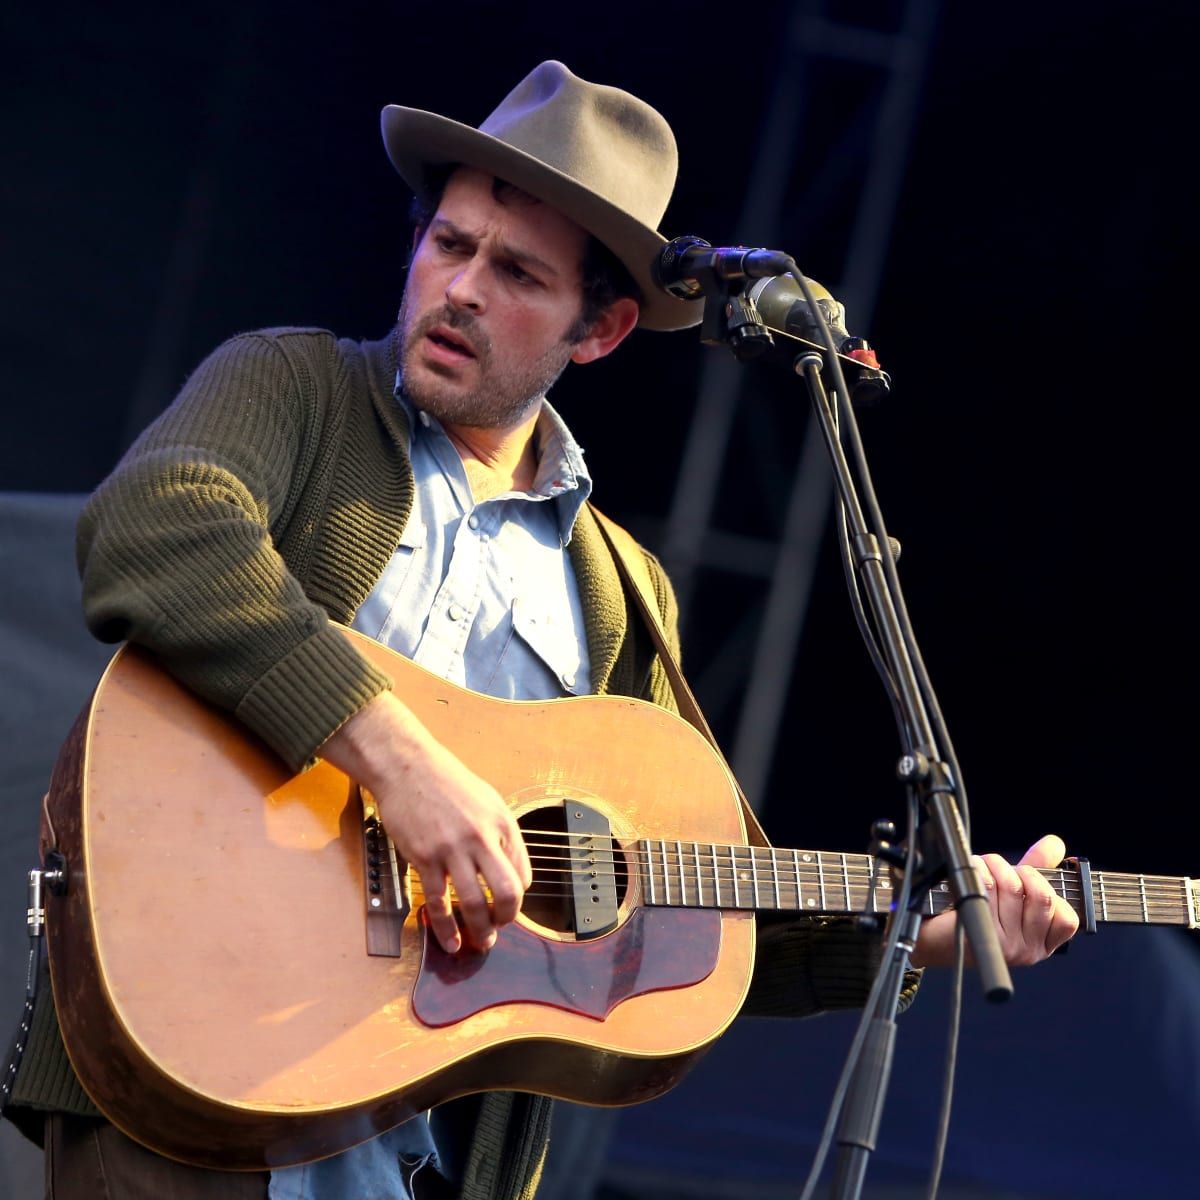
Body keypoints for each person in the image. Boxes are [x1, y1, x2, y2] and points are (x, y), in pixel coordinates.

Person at [4, 60, 1079, 1200]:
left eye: (513, 270)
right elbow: (156, 529)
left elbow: (684, 905)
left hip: (433, 1147)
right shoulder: (300, 390)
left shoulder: (622, 588)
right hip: (194, 1075)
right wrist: (400, 763)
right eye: (448, 243)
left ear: (603, 330)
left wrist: (918, 934)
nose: (458, 287)